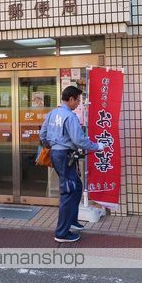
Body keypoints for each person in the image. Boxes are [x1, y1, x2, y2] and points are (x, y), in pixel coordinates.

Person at [40, 85, 104, 243]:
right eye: (77, 100)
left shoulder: (52, 113)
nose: (78, 104)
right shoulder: (70, 116)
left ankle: (71, 220)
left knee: (76, 187)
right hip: (64, 155)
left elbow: (43, 134)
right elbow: (79, 140)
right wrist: (97, 146)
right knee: (69, 192)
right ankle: (62, 233)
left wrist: (53, 145)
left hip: (57, 154)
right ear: (70, 99)